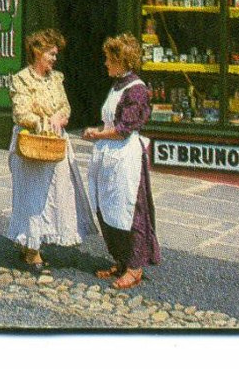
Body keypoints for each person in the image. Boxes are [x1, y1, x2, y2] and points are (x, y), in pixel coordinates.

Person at [7, 28, 95, 273]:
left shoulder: (57, 78)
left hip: (56, 143)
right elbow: (21, 112)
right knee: (31, 196)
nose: (55, 58)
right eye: (51, 54)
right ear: (37, 52)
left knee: (54, 196)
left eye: (56, 54)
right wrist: (43, 122)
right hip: (32, 144)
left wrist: (60, 117)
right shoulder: (21, 79)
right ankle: (31, 248)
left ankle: (39, 240)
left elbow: (66, 107)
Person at [83, 32, 162, 290]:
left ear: (121, 60)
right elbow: (112, 122)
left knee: (131, 210)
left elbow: (124, 129)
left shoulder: (137, 90)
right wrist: (99, 131)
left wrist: (97, 134)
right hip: (109, 155)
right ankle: (121, 259)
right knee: (109, 207)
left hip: (126, 156)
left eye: (109, 59)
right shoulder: (117, 84)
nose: (105, 63)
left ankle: (135, 267)